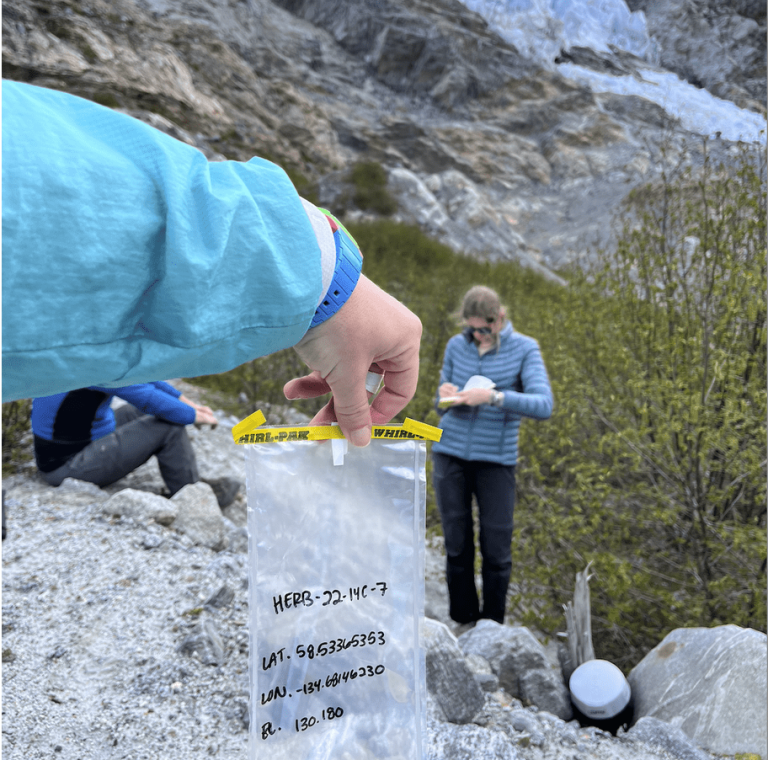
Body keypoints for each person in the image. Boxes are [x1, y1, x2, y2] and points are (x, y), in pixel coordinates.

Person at [2, 80, 421, 445]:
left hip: (71, 445)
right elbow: (43, 198)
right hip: (65, 461)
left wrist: (184, 401)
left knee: (167, 422)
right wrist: (325, 280)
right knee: (169, 429)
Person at [432, 285, 553, 626]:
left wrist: (493, 397)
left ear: (500, 318)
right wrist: (445, 396)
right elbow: (439, 407)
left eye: (485, 329)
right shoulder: (457, 345)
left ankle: (492, 626)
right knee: (456, 544)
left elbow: (544, 405)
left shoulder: (525, 348)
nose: (479, 335)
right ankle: (463, 620)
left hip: (496, 461)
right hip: (449, 453)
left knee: (496, 547)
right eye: (472, 329)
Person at [31, 382, 216, 497]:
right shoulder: (95, 366)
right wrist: (195, 415)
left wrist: (188, 403)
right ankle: (193, 497)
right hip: (66, 466)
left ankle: (193, 483)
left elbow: (142, 377)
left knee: (148, 411)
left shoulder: (84, 352)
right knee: (170, 426)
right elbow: (148, 397)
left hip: (85, 439)